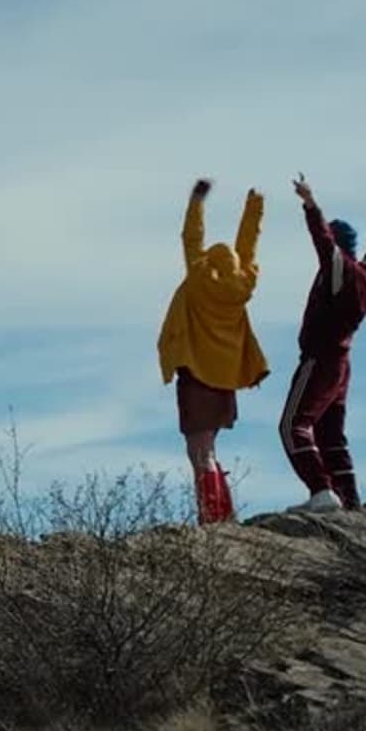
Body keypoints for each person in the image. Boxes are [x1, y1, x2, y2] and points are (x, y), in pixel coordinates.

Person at [280, 172, 366, 513]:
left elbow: (322, 240)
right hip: (342, 364)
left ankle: (321, 491)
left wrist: (310, 204)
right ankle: (350, 501)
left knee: (292, 426)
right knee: (330, 434)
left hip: (319, 359)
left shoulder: (339, 271)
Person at [158, 177, 270, 524]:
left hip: (197, 374)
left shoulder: (199, 278)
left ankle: (214, 518)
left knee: (199, 453)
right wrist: (255, 207)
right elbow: (248, 245)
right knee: (209, 450)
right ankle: (223, 514)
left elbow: (191, 237)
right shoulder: (243, 284)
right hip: (225, 380)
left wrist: (197, 201)